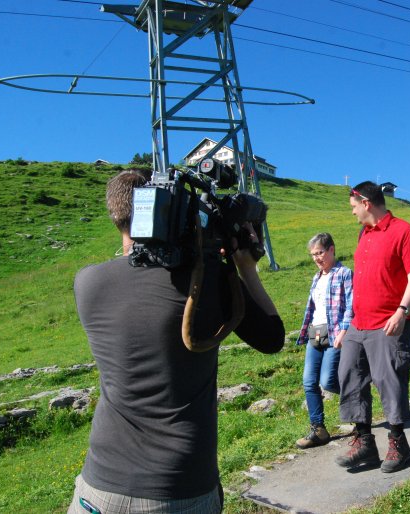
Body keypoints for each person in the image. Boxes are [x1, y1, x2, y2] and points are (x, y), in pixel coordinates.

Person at [68, 170, 285, 514]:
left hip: (97, 488)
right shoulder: (206, 281)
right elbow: (272, 338)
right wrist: (245, 268)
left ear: (116, 214)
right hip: (179, 489)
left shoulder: (88, 283)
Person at [336, 181, 410, 473]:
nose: (351, 213)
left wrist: (402, 311)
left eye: (352, 207)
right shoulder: (364, 234)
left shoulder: (404, 230)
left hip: (390, 320)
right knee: (349, 374)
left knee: (389, 379)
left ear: (366, 202)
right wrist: (348, 322)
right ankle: (364, 442)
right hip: (358, 323)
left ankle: (398, 441)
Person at [294, 233, 353, 449]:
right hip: (316, 333)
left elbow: (351, 305)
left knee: (328, 381)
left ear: (331, 249)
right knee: (309, 382)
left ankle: (357, 400)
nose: (317, 258)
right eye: (313, 255)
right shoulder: (316, 277)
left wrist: (344, 331)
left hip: (335, 332)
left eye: (320, 253)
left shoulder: (344, 274)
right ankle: (318, 429)